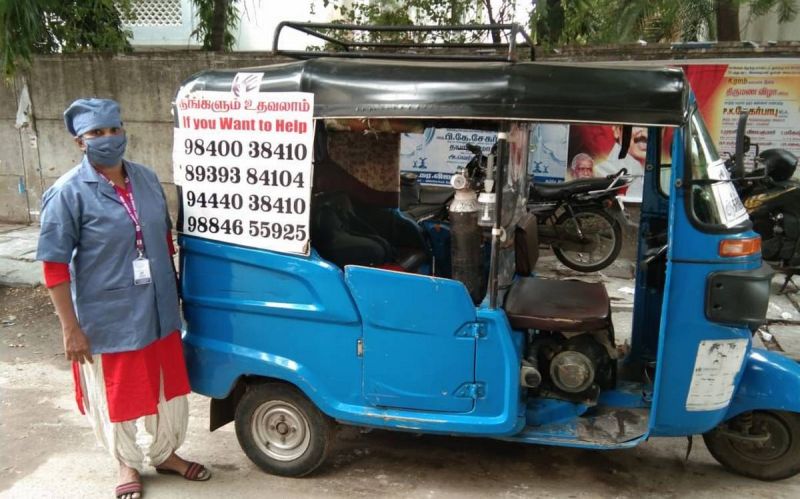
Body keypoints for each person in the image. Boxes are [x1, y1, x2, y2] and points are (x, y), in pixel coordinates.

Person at [36, 98, 210, 499]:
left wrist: (178, 294)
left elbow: (164, 239)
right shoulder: (67, 193)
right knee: (119, 390)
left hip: (159, 306)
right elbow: (54, 268)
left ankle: (166, 453)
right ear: (80, 142)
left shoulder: (147, 179)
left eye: (114, 129)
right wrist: (70, 328)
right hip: (108, 315)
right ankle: (125, 460)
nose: (108, 139)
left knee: (168, 387)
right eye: (96, 133)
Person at [595, 126, 648, 201]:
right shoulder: (602, 170)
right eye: (638, 124)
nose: (646, 134)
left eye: (658, 128)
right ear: (617, 130)